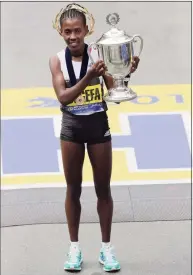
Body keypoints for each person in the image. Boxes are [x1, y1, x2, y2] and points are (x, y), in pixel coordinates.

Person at [49, 3, 140, 272]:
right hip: (72, 130)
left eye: (77, 31)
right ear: (61, 32)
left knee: (103, 190)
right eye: (67, 32)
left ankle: (106, 249)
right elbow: (63, 97)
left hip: (98, 127)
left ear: (87, 30)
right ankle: (74, 249)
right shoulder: (56, 60)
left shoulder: (100, 53)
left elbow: (113, 90)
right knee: (73, 189)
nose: (73, 36)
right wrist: (89, 75)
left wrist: (126, 71)